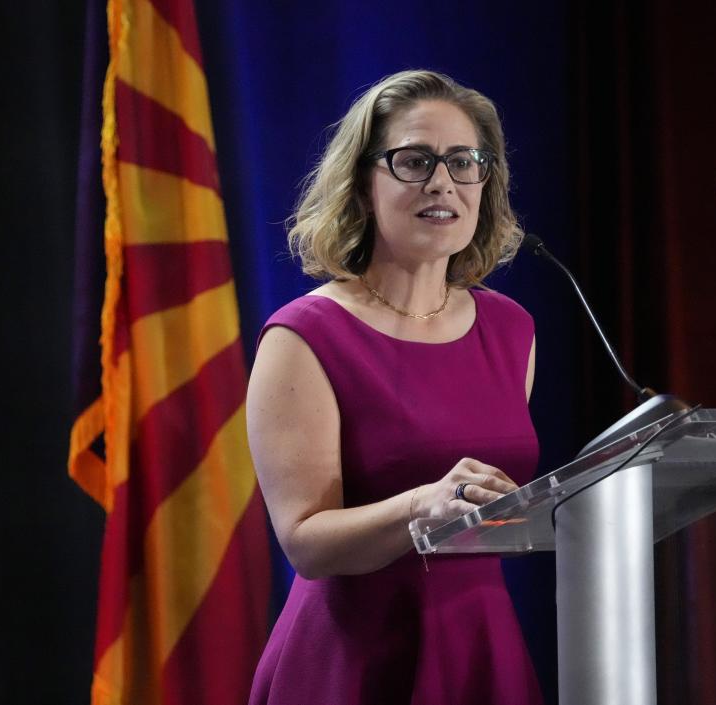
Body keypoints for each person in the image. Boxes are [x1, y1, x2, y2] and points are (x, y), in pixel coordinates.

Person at [246, 70, 545, 705]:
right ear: (362, 185)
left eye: (464, 162)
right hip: (355, 660)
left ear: (485, 183)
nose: (443, 181)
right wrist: (420, 507)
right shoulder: (305, 336)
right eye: (414, 161)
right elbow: (305, 541)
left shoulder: (510, 328)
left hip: (478, 648)